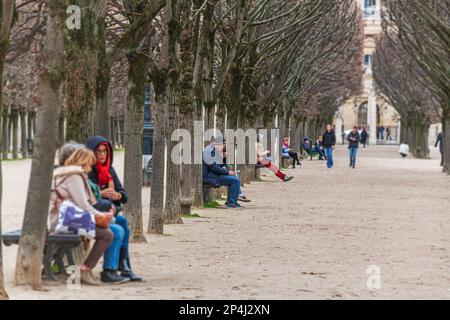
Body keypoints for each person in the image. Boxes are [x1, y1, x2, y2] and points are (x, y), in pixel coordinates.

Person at [49, 147, 115, 285]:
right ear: (82, 162)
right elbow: (84, 206)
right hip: (64, 221)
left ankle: (85, 269)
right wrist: (102, 216)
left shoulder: (67, 174)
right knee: (107, 234)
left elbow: (82, 206)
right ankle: (85, 269)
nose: (90, 169)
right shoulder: (74, 176)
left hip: (62, 218)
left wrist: (101, 215)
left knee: (107, 230)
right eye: (88, 164)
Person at [86, 136, 143, 282]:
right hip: (95, 213)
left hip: (107, 212)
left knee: (123, 222)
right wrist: (102, 193)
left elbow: (124, 195)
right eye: (98, 151)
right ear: (92, 153)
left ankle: (124, 266)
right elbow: (89, 198)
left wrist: (117, 195)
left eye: (105, 151)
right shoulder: (89, 171)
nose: (102, 154)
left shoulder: (109, 170)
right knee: (118, 230)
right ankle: (109, 269)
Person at [203, 137, 242, 209]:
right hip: (209, 177)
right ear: (216, 144)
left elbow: (220, 166)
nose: (223, 147)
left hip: (214, 175)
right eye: (222, 145)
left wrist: (223, 158)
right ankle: (231, 203)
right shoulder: (208, 153)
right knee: (234, 181)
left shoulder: (214, 152)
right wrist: (228, 172)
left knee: (236, 179)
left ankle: (233, 202)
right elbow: (214, 168)